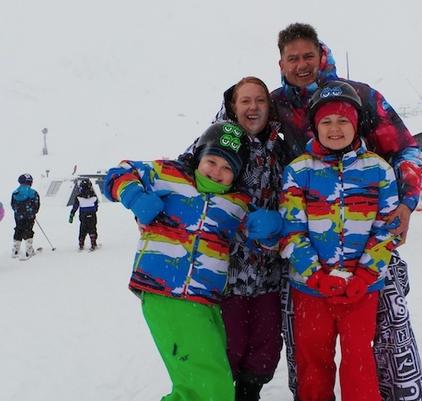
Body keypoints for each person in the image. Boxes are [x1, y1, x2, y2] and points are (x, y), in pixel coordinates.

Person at [272, 23, 422, 400]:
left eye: (308, 55)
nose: (302, 64)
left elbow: (406, 149)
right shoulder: (272, 104)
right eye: (293, 58)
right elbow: (220, 148)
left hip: (366, 242)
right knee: (311, 354)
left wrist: (406, 203)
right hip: (306, 253)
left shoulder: (362, 96)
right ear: (281, 62)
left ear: (321, 54)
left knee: (378, 344)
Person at [103, 122, 269, 401]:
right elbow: (119, 173)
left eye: (227, 168)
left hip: (206, 301)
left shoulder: (237, 203)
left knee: (205, 383)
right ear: (199, 156)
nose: (216, 171)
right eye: (211, 161)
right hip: (167, 293)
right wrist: (135, 196)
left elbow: (252, 242)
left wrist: (267, 230)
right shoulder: (168, 174)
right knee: (209, 386)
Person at [279, 81, 401, 401]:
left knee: (358, 359)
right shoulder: (298, 171)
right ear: (315, 127)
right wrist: (316, 276)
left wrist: (365, 275)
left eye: (343, 120)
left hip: (362, 289)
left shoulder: (378, 170)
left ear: (357, 123)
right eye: (326, 121)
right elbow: (292, 230)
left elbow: (386, 229)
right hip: (311, 290)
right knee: (313, 361)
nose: (335, 129)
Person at [183, 76, 290, 401]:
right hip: (222, 273)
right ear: (233, 105)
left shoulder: (281, 147)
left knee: (265, 347)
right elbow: (177, 178)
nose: (253, 107)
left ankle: (250, 393)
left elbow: (299, 195)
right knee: (225, 349)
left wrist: (282, 223)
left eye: (260, 100)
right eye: (245, 100)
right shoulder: (214, 139)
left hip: (269, 272)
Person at [11, 173, 40, 259]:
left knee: (18, 229)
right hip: (30, 216)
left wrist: (18, 212)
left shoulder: (15, 192)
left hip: (18, 216)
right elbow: (37, 205)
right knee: (29, 230)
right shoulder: (34, 193)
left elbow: (12, 205)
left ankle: (15, 251)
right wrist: (33, 212)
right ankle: (29, 251)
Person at [69, 178, 99, 250]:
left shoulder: (78, 197)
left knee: (83, 229)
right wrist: (94, 209)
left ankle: (81, 243)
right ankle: (93, 242)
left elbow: (75, 206)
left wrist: (72, 214)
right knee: (92, 228)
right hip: (92, 214)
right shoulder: (94, 196)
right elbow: (96, 206)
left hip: (83, 215)